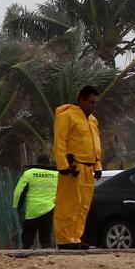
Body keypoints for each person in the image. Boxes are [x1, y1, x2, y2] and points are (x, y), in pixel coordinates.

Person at [51, 86, 102, 249]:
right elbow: (60, 141)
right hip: (74, 166)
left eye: (95, 103)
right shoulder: (66, 116)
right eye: (91, 102)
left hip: (88, 168)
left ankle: (75, 237)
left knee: (83, 204)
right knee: (68, 203)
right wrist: (63, 165)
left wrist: (98, 165)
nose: (93, 105)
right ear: (81, 100)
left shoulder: (93, 120)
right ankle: (64, 239)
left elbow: (96, 144)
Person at [12, 155, 58, 249]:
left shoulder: (29, 173)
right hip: (49, 208)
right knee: (46, 233)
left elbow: (19, 192)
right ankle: (46, 252)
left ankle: (26, 250)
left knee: (28, 234)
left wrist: (17, 206)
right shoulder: (57, 175)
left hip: (32, 210)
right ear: (49, 163)